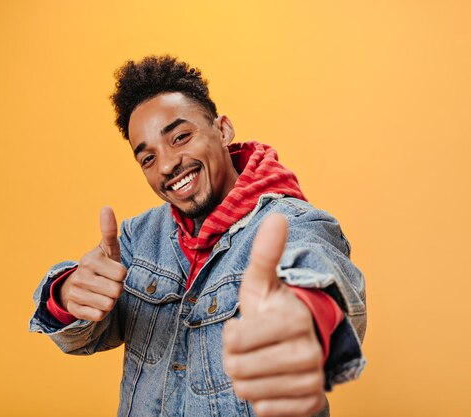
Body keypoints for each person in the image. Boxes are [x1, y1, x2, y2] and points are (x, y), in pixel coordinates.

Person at [29, 55, 366, 417]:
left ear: (222, 130)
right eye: (148, 158)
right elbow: (86, 338)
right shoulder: (135, 238)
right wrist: (66, 295)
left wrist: (300, 316)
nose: (167, 165)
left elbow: (321, 279)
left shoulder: (294, 224)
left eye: (180, 137)